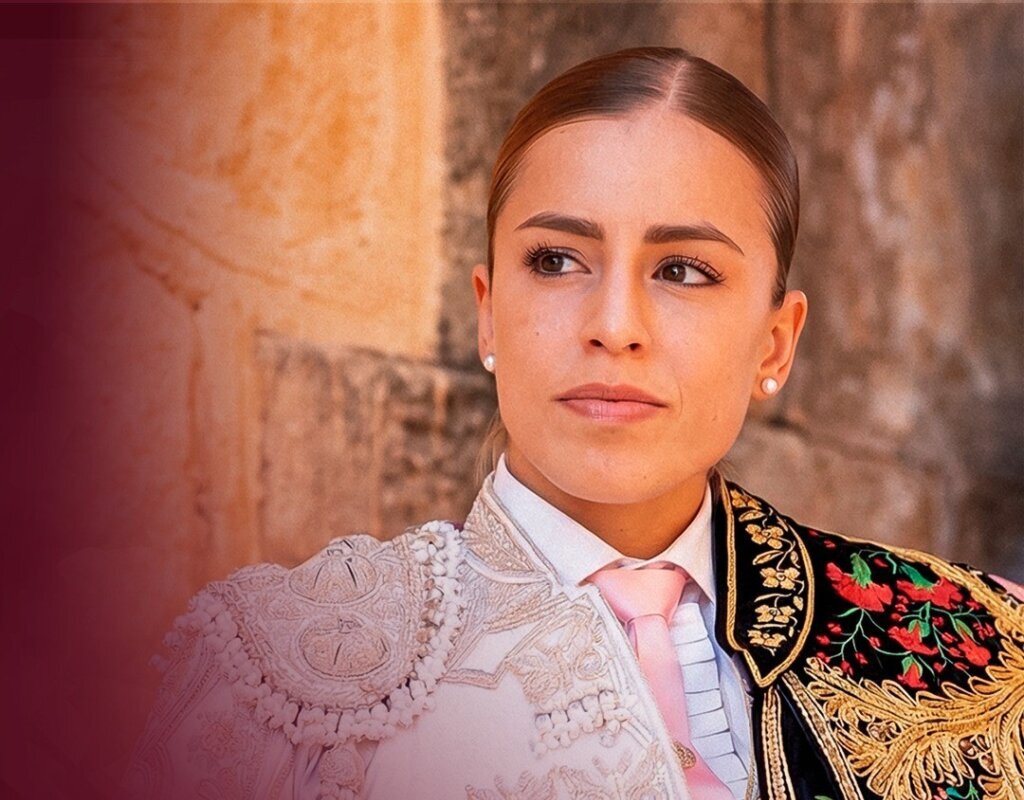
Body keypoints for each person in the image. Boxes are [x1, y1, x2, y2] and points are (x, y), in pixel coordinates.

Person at [125, 47, 1024, 800]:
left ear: (776, 344)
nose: (614, 323)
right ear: (486, 312)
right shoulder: (270, 677)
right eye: (556, 260)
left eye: (684, 271)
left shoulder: (984, 654)